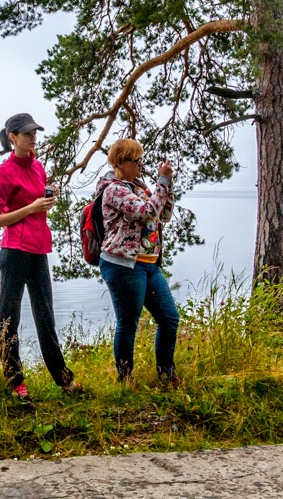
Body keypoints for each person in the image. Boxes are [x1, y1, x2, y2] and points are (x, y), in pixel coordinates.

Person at [0, 113, 82, 406]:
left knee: (45, 318)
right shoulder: (5, 172)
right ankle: (16, 383)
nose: (33, 137)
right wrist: (30, 208)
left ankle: (63, 379)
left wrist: (45, 203)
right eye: (27, 134)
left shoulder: (38, 167)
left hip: (39, 249)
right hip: (15, 251)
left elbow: (37, 207)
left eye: (35, 133)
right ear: (13, 138)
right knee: (8, 318)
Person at [96, 139, 179, 383]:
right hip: (122, 265)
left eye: (142, 159)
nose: (141, 165)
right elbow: (146, 213)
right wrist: (161, 182)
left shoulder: (139, 187)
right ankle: (126, 380)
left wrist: (167, 184)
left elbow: (163, 214)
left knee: (169, 318)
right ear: (121, 162)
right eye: (136, 160)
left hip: (149, 264)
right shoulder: (113, 189)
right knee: (128, 324)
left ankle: (166, 375)